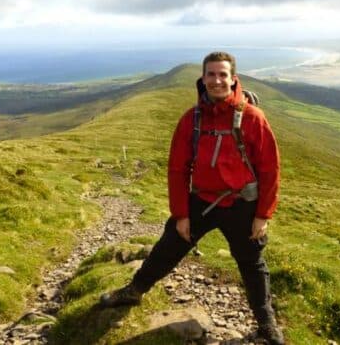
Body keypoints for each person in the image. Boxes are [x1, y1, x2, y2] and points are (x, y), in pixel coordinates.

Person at [100, 51, 284, 345]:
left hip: (242, 205)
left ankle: (266, 322)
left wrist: (263, 215)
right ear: (203, 78)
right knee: (168, 247)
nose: (216, 80)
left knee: (252, 264)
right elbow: (177, 169)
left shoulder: (252, 118)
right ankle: (134, 291)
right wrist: (181, 214)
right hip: (201, 202)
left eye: (222, 74)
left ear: (233, 79)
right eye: (211, 74)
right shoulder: (192, 120)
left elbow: (270, 169)